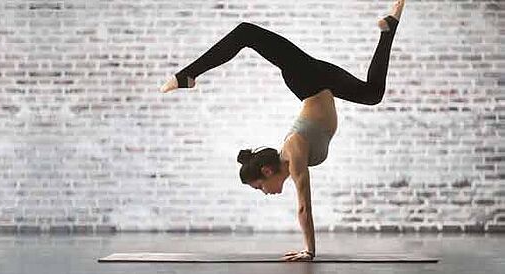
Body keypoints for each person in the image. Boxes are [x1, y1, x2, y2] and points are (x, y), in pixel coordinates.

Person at [161, 0, 405, 262]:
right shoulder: (292, 155)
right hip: (322, 82)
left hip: (308, 80)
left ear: (267, 172)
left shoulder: (294, 152)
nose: (265, 193)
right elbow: (303, 205)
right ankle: (388, 29)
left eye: (259, 188)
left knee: (246, 33)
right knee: (372, 94)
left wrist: (309, 251)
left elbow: (304, 207)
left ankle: (187, 75)